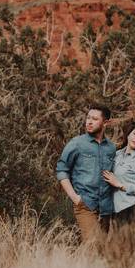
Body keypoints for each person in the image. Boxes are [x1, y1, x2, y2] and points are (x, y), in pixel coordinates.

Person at [55, 104, 116, 242]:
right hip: (85, 204)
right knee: (94, 244)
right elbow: (61, 170)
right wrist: (75, 198)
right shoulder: (77, 143)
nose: (89, 121)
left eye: (94, 119)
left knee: (101, 250)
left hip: (106, 208)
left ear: (105, 123)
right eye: (88, 118)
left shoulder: (111, 148)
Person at [103, 122, 135, 227]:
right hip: (114, 211)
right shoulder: (117, 154)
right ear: (128, 134)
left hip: (132, 210)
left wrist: (119, 184)